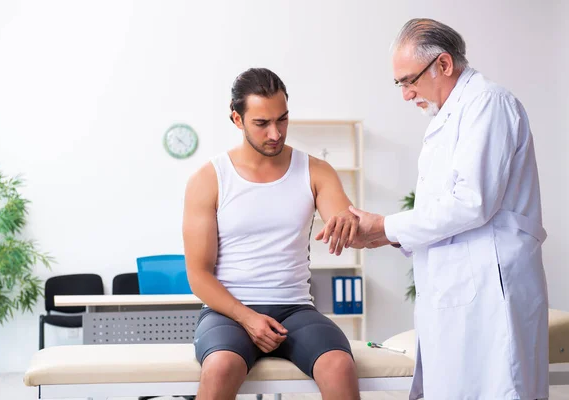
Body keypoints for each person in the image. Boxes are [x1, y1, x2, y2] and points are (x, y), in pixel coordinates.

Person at [318, 18, 549, 400]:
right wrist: (384, 235)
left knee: (499, 387)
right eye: (400, 85)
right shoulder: (447, 117)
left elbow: (472, 202)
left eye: (409, 80)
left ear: (443, 64)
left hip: (492, 290)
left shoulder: (488, 103)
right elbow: (442, 211)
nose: (406, 95)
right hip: (457, 287)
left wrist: (386, 226)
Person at [182, 67, 362, 400]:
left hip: (294, 309)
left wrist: (347, 222)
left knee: (339, 366)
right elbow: (198, 274)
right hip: (229, 312)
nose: (276, 133)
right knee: (220, 367)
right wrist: (248, 318)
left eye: (282, 120)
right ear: (237, 119)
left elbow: (341, 213)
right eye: (262, 123)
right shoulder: (209, 179)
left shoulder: (315, 171)